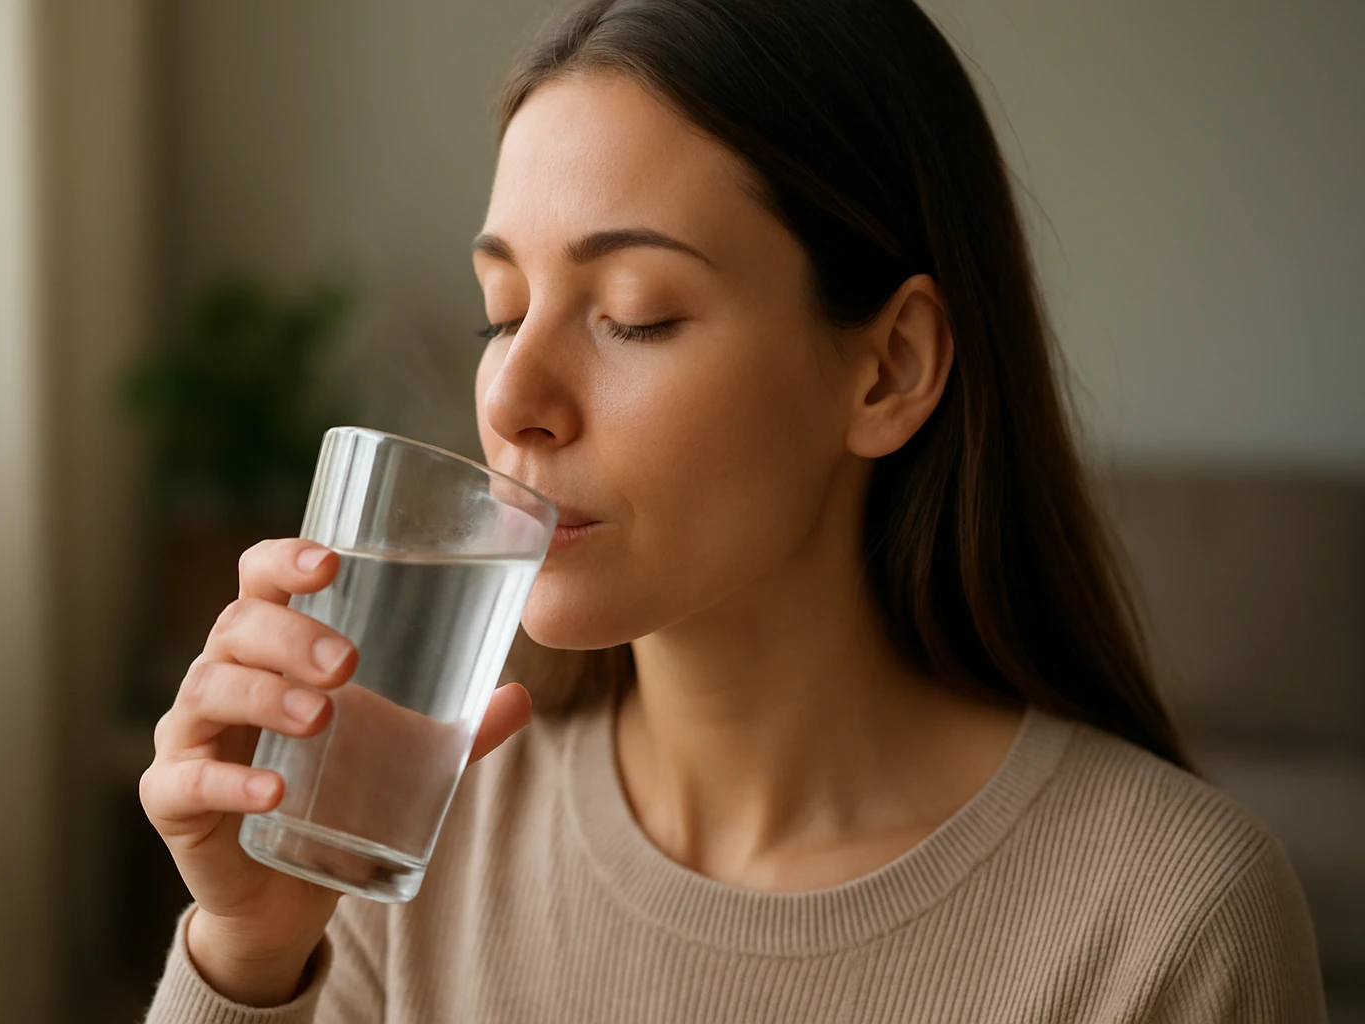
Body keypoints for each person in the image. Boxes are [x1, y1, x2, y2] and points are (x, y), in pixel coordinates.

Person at [139, 0, 1328, 1020]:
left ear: (889, 367)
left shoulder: (1172, 921)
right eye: (501, 311)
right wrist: (247, 957)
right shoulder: (401, 836)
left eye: (636, 312)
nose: (513, 395)